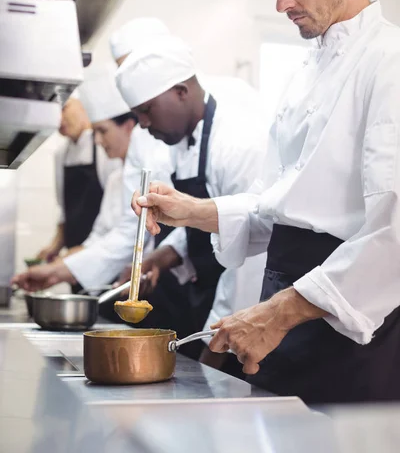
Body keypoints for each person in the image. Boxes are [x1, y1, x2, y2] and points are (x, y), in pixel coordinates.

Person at [131, 0, 400, 404]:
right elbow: (277, 205)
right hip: (288, 310)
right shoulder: (305, 73)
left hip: (352, 324)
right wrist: (191, 211)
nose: (280, 4)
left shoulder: (391, 62)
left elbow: (395, 232)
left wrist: (279, 312)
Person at [116, 33, 269, 362]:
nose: (141, 124)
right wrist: (163, 256)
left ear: (181, 92)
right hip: (210, 295)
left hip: (246, 314)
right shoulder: (182, 143)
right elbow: (208, 217)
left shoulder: (238, 143)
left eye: (146, 110)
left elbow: (252, 248)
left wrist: (217, 344)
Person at [13, 65, 136, 292]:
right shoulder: (66, 156)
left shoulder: (121, 162)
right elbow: (98, 232)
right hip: (86, 260)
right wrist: (59, 261)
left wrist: (61, 267)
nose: (99, 140)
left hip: (116, 270)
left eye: (65, 108)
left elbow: (125, 238)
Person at [36, 96, 119, 263]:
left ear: (83, 106)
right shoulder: (60, 155)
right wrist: (55, 246)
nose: (59, 117)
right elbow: (65, 211)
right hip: (73, 256)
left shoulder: (105, 149)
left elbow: (114, 214)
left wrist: (82, 252)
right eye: (54, 111)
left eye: (64, 108)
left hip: (103, 253)